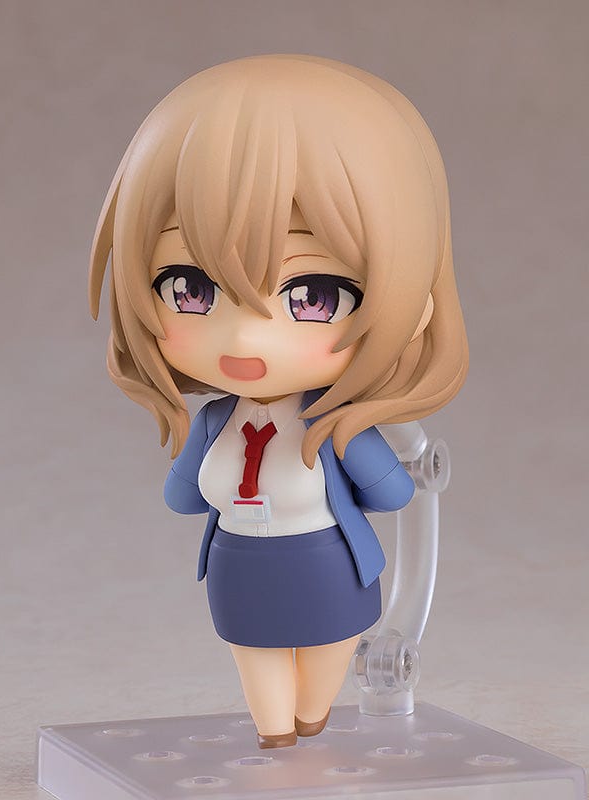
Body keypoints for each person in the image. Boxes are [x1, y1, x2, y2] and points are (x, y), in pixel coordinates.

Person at [89, 55, 468, 749]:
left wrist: (361, 441)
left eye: (313, 295)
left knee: (328, 648)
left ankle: (312, 719)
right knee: (254, 653)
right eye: (189, 288)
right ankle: (275, 737)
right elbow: (181, 498)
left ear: (408, 300)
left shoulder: (335, 424)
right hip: (238, 567)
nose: (244, 337)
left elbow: (391, 495)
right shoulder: (215, 423)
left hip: (328, 565)